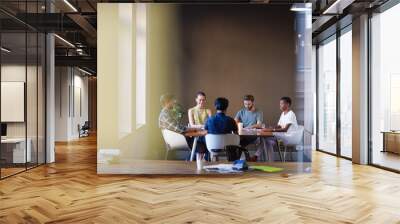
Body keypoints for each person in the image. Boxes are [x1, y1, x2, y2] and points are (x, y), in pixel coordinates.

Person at [159, 94, 207, 158]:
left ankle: (192, 160)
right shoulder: (165, 115)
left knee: (201, 143)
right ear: (167, 102)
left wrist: (196, 130)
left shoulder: (167, 113)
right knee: (202, 145)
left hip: (180, 137)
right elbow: (180, 129)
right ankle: (195, 162)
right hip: (177, 140)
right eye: (172, 101)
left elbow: (179, 128)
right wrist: (196, 130)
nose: (174, 102)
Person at [251, 96, 298, 162]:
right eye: (280, 104)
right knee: (267, 141)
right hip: (283, 135)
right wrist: (271, 128)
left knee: (266, 140)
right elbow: (279, 126)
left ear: (287, 104)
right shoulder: (283, 113)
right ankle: (269, 161)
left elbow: (285, 129)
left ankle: (256, 156)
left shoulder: (291, 114)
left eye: (282, 104)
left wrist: (271, 130)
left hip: (289, 136)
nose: (280, 105)